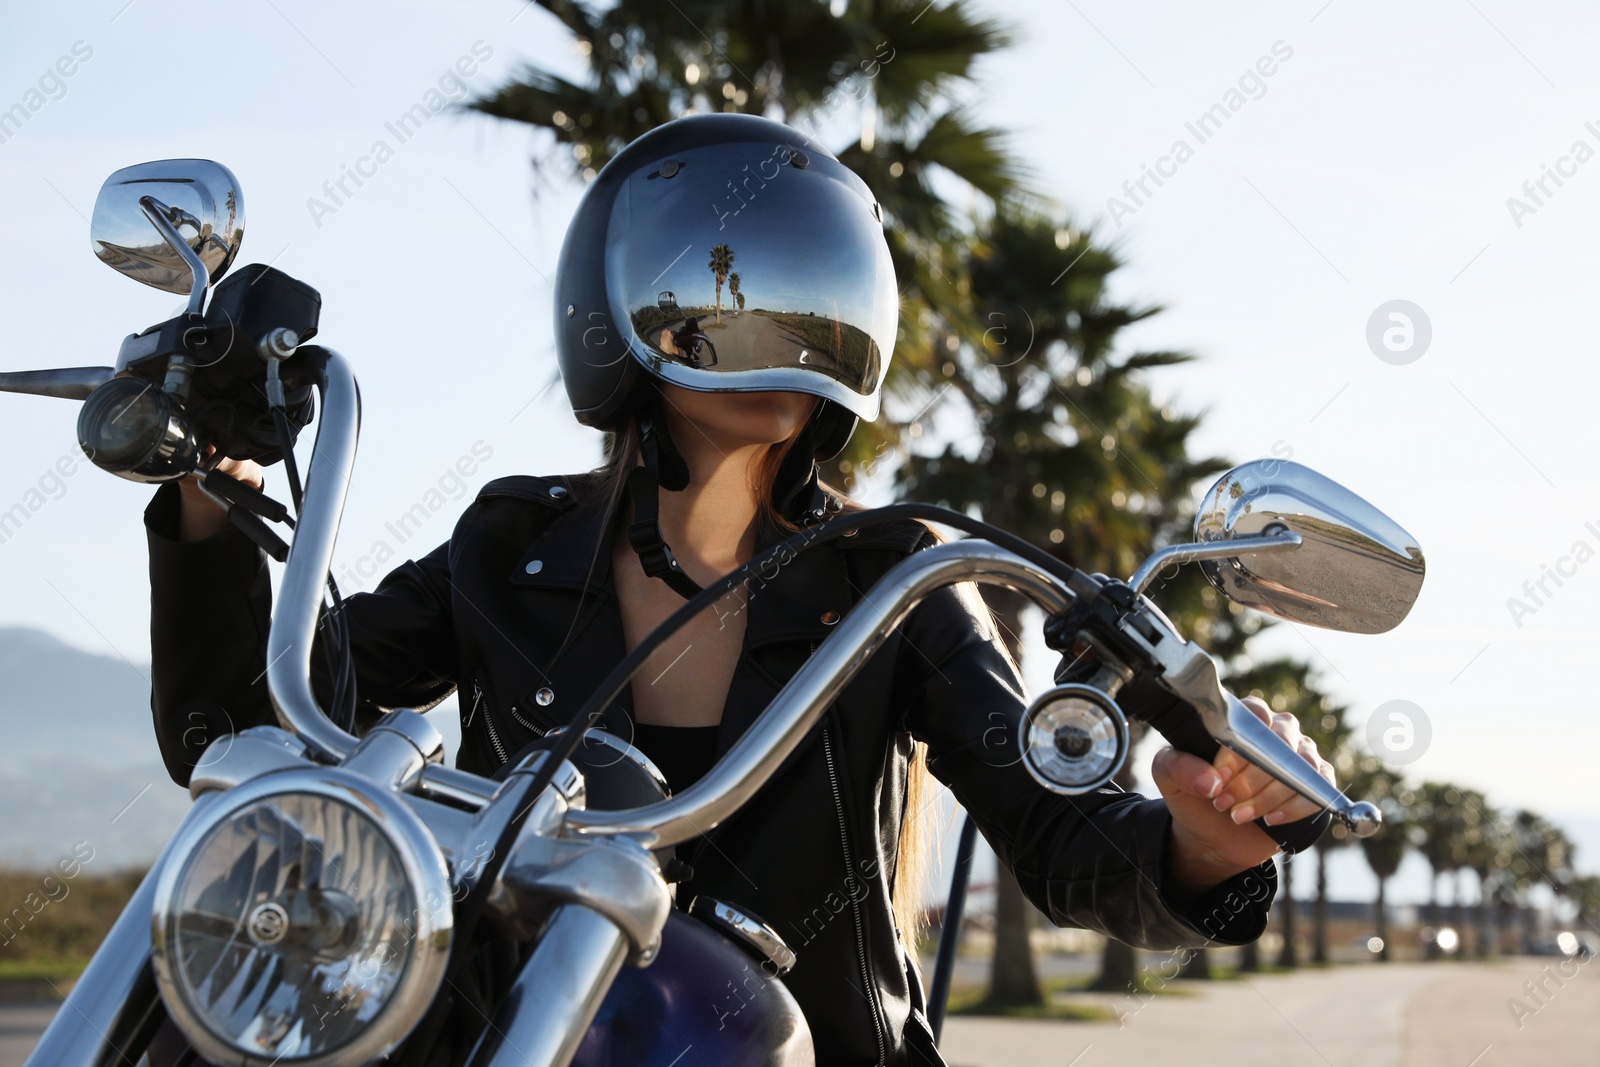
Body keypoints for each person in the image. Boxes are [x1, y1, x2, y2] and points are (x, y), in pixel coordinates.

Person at [145, 113, 1337, 1065]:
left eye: (813, 297)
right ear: (614, 315)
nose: (782, 331)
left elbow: (1062, 838)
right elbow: (246, 730)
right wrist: (215, 478)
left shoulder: (897, 575)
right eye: (730, 298)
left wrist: (1198, 842)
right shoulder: (506, 547)